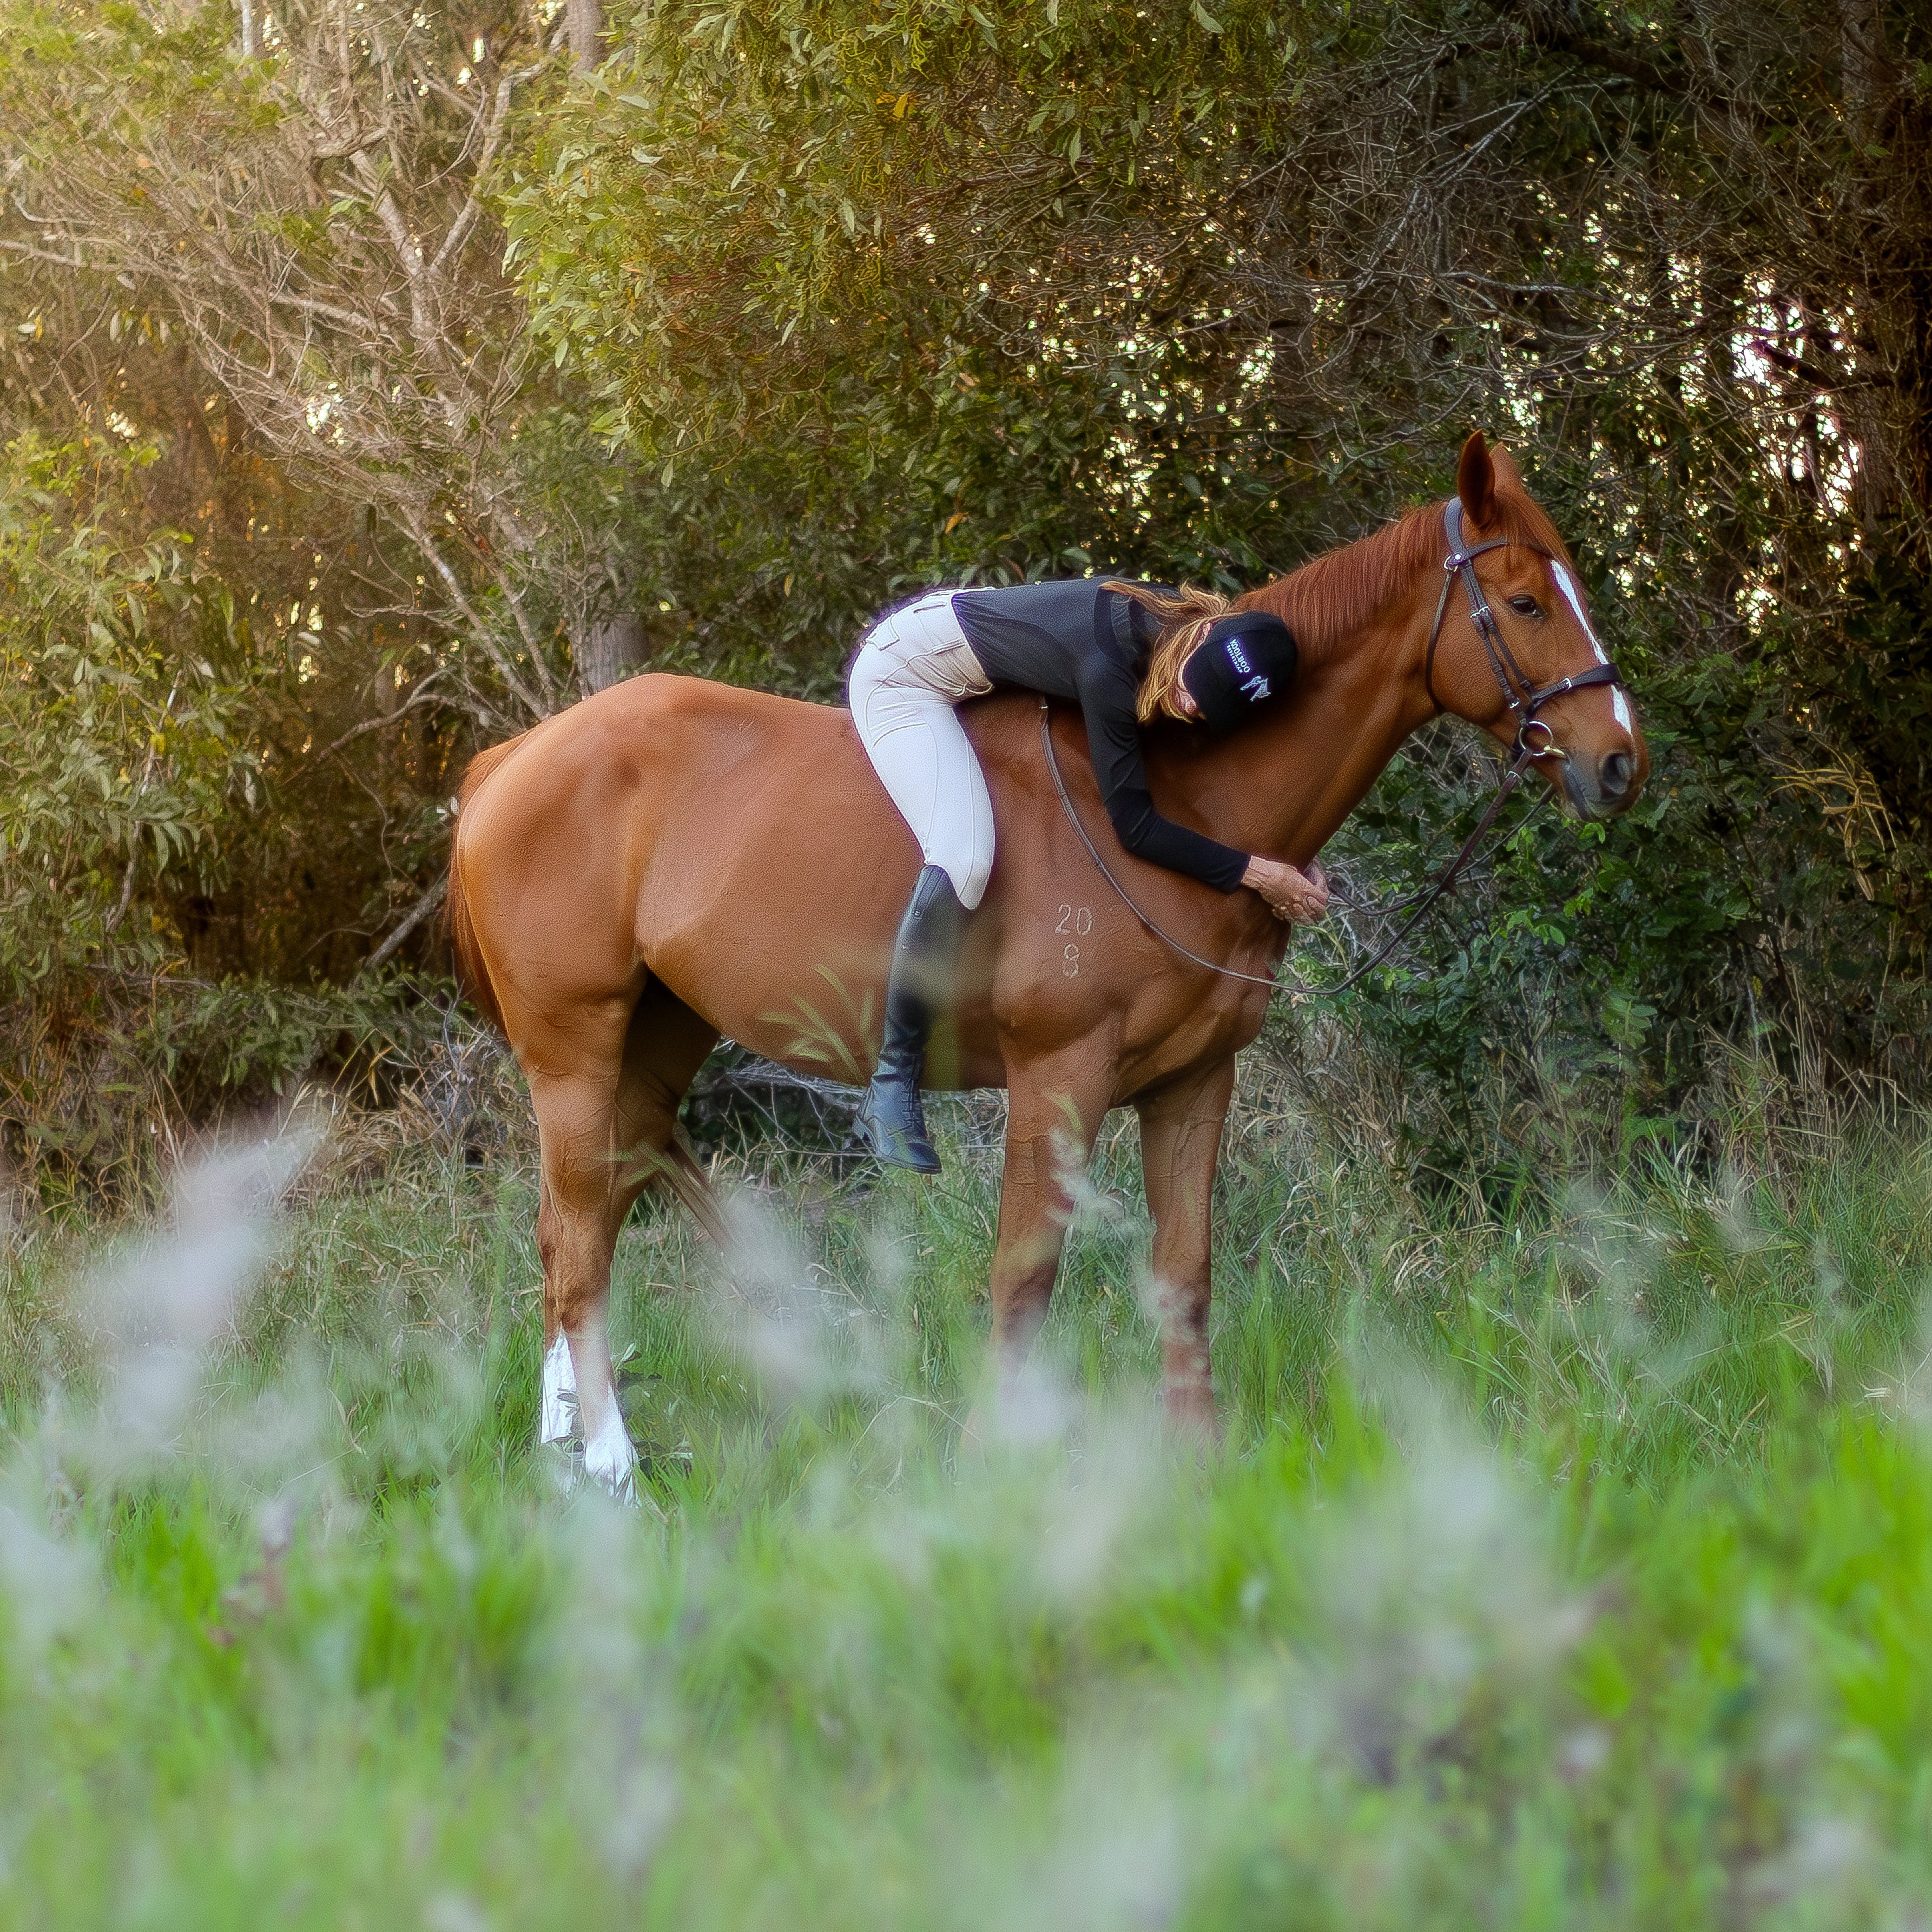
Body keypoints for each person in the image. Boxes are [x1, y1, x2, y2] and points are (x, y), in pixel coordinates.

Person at [846, 575, 1329, 1173]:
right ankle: (890, 1085)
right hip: (907, 673)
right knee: (964, 855)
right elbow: (1136, 827)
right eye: (1201, 687)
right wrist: (1257, 873)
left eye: (1216, 706)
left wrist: (1293, 847)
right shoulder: (1106, 669)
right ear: (1203, 634)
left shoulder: (1171, 630)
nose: (1197, 706)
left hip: (967, 650)